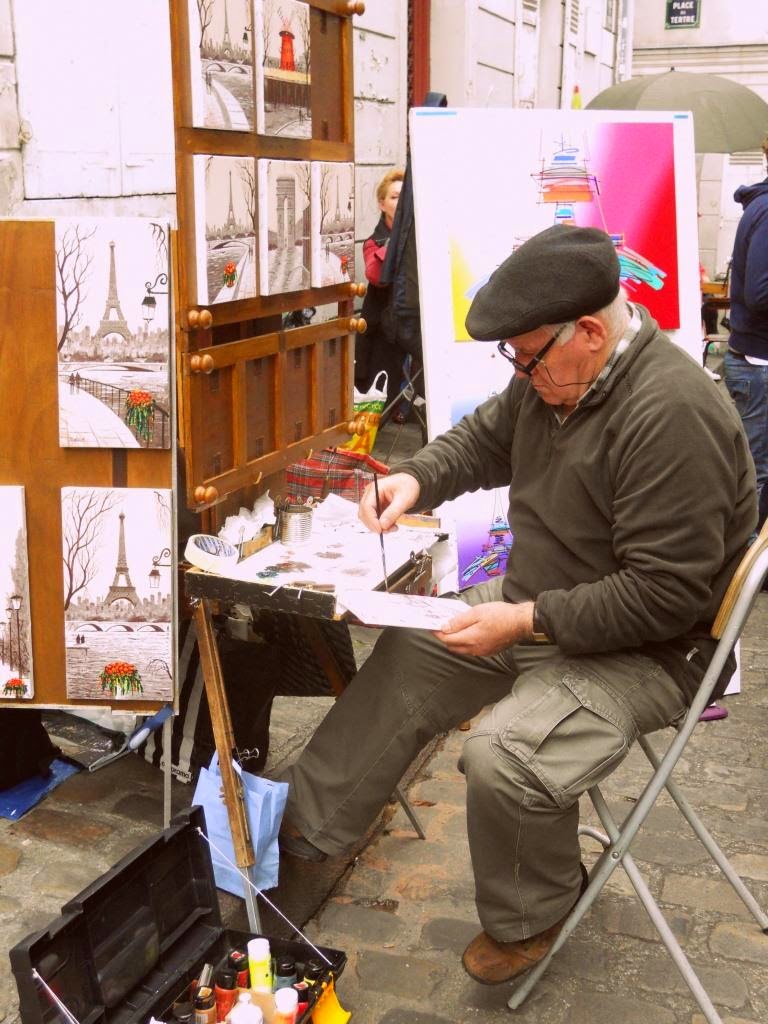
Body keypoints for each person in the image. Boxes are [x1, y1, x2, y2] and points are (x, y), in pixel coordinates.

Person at [279, 225, 756, 985]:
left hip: (650, 648)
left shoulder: (672, 414)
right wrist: (417, 479)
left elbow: (666, 596)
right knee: (412, 649)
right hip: (543, 598)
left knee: (503, 755)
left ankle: (532, 915)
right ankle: (306, 842)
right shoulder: (556, 372)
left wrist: (526, 620)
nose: (521, 371)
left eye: (527, 357)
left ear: (591, 332)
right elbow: (483, 440)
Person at [725, 136, 768, 532]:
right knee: (754, 474)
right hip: (758, 366)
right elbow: (760, 292)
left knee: (756, 472)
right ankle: (740, 574)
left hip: (755, 362)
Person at [355, 169, 417, 418]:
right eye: (393, 197)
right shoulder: (374, 241)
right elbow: (376, 276)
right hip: (383, 325)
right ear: (382, 204)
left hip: (413, 319)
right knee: (377, 388)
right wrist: (396, 243)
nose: (400, 203)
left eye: (404, 197)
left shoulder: (419, 237)